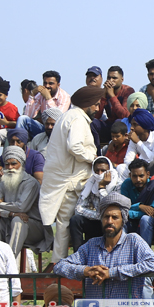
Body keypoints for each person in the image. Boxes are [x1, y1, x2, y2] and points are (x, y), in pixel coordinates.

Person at [39, 85, 101, 260]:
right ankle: (64, 264)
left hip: (69, 180)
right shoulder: (78, 119)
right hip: (72, 183)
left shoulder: (68, 116)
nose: (97, 109)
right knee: (66, 224)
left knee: (65, 224)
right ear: (87, 104)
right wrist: (93, 158)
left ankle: (63, 262)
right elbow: (75, 147)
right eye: (96, 104)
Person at [70, 157, 122, 250]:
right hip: (98, 221)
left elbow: (109, 208)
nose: (99, 174)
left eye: (103, 171)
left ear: (109, 170)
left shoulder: (118, 185)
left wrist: (101, 188)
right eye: (97, 171)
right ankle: (78, 254)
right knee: (75, 220)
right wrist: (99, 216)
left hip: (112, 222)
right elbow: (78, 208)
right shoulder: (91, 183)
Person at [119, 158, 154, 241]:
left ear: (148, 174)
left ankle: (144, 248)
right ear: (130, 175)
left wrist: (130, 213)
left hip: (150, 223)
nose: (138, 180)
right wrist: (139, 206)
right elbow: (123, 207)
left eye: (141, 176)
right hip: (130, 221)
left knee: (145, 219)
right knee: (120, 220)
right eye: (134, 176)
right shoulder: (127, 184)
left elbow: (153, 211)